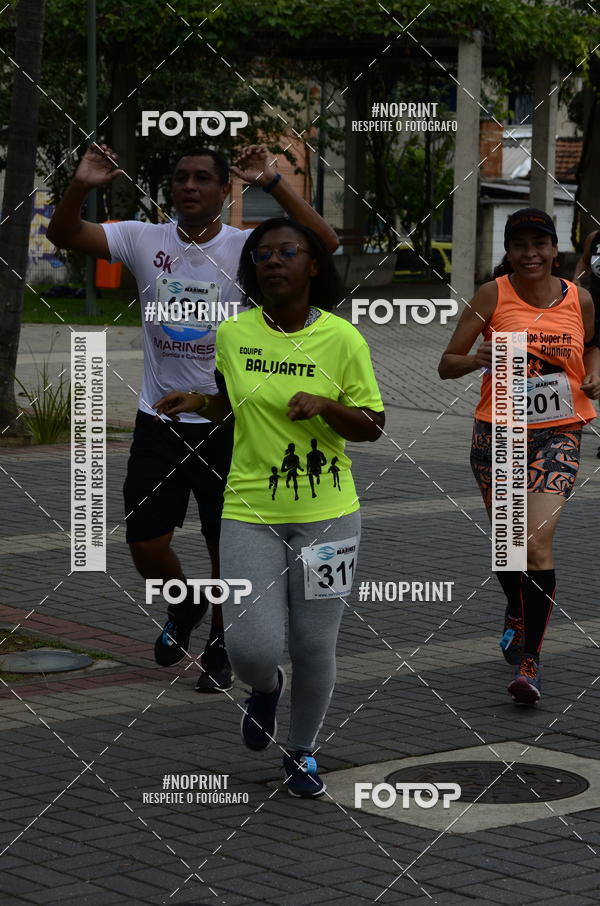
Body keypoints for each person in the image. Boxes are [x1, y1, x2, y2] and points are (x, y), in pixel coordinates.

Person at [47, 143, 339, 694]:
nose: (189, 185)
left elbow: (323, 243)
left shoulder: (247, 246)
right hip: (159, 420)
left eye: (203, 177)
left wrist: (273, 183)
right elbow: (64, 235)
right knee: (145, 542)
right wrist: (81, 183)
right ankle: (185, 605)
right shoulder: (143, 238)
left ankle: (220, 644)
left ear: (225, 190)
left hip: (230, 423)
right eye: (181, 176)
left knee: (223, 548)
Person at [153, 217, 385, 796]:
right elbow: (234, 405)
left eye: (287, 251)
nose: (273, 261)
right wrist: (200, 401)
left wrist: (327, 406)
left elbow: (373, 424)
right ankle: (265, 687)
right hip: (249, 509)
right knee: (249, 648)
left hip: (329, 515)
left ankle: (301, 751)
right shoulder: (234, 335)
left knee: (314, 644)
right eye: (262, 255)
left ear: (313, 265)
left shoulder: (343, 339)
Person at [439, 208, 600, 705]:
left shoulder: (580, 298)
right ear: (508, 253)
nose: (530, 254)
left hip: (560, 432)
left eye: (539, 244)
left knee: (536, 544)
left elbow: (593, 346)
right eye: (520, 245)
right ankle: (516, 607)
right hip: (499, 434)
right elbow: (446, 364)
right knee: (508, 547)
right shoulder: (493, 295)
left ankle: (530, 662)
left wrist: (595, 373)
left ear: (555, 250)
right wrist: (476, 358)